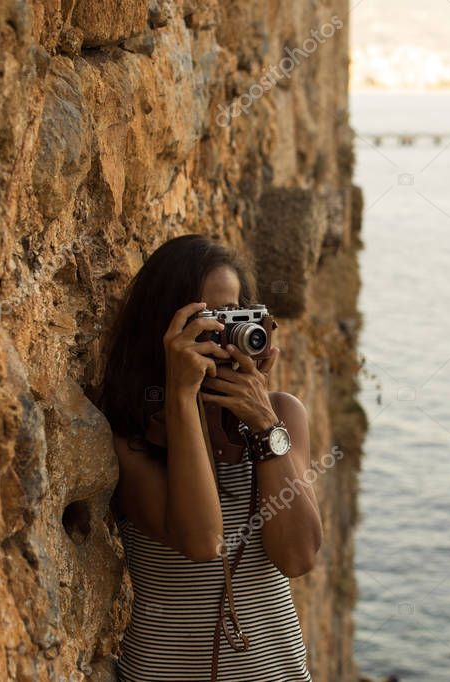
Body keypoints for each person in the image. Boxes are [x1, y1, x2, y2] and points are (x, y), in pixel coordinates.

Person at [98, 234, 322, 681]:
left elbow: (298, 557)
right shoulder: (129, 434)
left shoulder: (281, 417)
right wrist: (182, 395)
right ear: (164, 329)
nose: (226, 336)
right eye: (209, 320)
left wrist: (264, 427)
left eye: (235, 314)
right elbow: (203, 543)